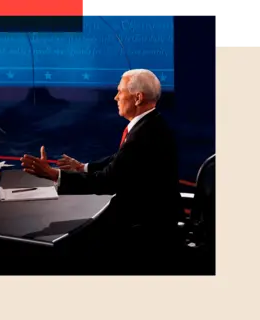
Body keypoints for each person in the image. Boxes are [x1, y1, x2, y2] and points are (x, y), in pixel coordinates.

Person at [20, 69, 183, 274]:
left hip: (145, 226)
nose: (115, 97)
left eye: (120, 91)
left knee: (73, 242)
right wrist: (82, 167)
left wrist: (54, 175)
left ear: (138, 98)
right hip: (148, 215)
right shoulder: (151, 124)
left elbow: (108, 180)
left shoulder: (145, 135)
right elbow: (119, 160)